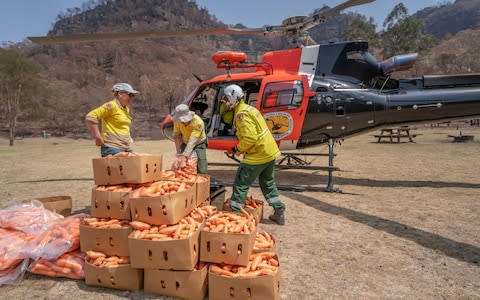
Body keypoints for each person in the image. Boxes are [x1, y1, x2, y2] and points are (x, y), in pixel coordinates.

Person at [222, 84, 286, 225]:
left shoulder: (241, 115)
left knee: (240, 184)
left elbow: (251, 138)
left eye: (226, 99)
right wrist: (240, 149)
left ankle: (234, 215)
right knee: (268, 183)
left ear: (233, 99)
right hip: (269, 152)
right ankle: (279, 210)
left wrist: (235, 149)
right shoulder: (250, 109)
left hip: (257, 155)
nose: (225, 103)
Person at [85, 83, 139, 157]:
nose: (132, 97)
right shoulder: (111, 106)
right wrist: (98, 136)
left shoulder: (126, 109)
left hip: (125, 147)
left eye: (133, 95)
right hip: (112, 148)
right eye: (130, 94)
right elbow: (91, 116)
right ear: (120, 94)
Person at [172, 104, 208, 174]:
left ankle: (202, 181)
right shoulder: (177, 121)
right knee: (183, 167)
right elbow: (177, 136)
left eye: (184, 120)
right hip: (185, 142)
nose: (182, 122)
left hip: (198, 143)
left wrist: (184, 156)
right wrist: (179, 153)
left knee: (201, 166)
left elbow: (192, 141)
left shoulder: (198, 122)